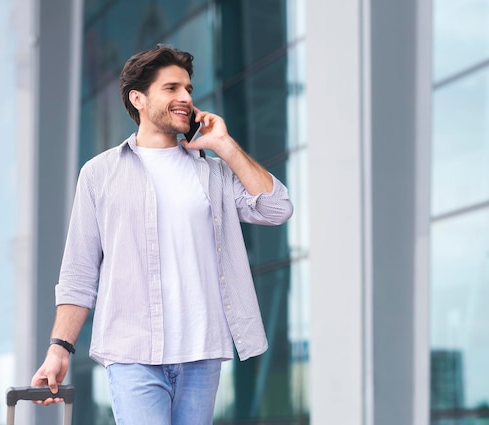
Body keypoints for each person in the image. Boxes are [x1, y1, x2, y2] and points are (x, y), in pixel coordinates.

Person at [31, 45, 294, 425]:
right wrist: (59, 349)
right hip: (133, 353)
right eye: (171, 88)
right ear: (138, 99)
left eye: (188, 88)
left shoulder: (214, 173)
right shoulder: (99, 174)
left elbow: (277, 208)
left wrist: (224, 145)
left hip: (201, 354)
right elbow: (79, 273)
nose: (186, 98)